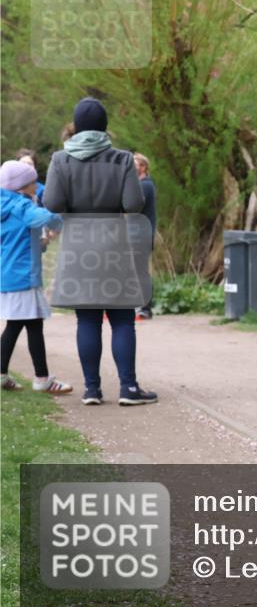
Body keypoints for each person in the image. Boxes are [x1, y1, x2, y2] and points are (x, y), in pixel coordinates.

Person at [43, 97, 158, 407]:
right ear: (105, 125)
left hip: (77, 245)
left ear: (77, 126)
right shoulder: (122, 159)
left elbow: (52, 203)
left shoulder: (60, 160)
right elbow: (133, 204)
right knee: (122, 320)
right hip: (114, 244)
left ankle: (92, 390)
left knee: (88, 320)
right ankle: (128, 388)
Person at [0, 160, 72, 394]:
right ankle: (42, 379)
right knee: (27, 326)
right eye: (33, 181)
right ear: (22, 185)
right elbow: (47, 218)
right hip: (24, 276)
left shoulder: (5, 205)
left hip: (9, 273)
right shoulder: (22, 206)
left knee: (19, 325)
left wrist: (42, 242)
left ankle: (5, 374)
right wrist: (59, 222)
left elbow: (17, 240)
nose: (36, 185)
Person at [132, 153, 157, 320]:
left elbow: (134, 206)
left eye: (134, 164)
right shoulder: (139, 185)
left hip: (141, 235)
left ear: (143, 167)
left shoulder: (145, 185)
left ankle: (145, 309)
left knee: (141, 271)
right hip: (136, 233)